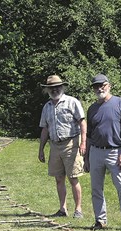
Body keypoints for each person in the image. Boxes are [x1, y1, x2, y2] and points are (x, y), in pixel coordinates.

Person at [84, 74, 121, 231]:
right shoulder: (92, 109)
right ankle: (100, 220)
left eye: (102, 85)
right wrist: (86, 158)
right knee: (96, 188)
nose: (99, 88)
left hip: (115, 151)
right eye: (96, 86)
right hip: (96, 152)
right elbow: (89, 136)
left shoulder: (120, 103)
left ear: (109, 85)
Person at [38, 75, 87, 219]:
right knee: (59, 178)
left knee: (73, 178)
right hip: (54, 145)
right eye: (52, 88)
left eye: (57, 87)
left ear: (62, 87)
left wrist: (83, 142)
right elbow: (45, 129)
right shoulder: (47, 107)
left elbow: (82, 122)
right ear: (47, 89)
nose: (55, 90)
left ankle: (78, 209)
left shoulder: (72, 102)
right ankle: (62, 208)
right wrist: (41, 149)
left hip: (71, 143)